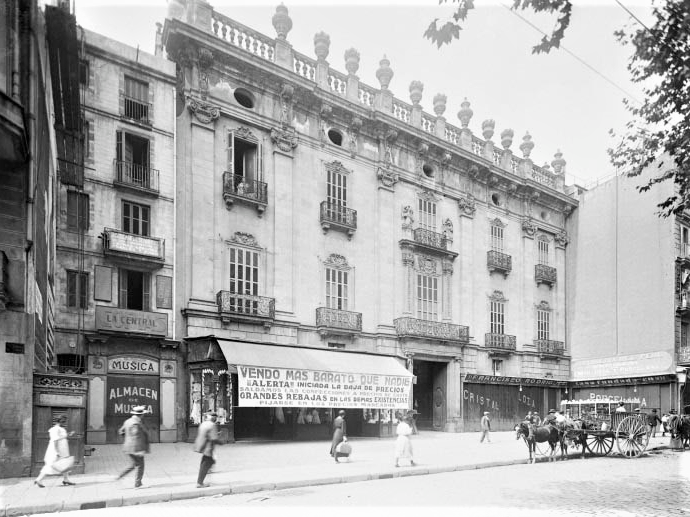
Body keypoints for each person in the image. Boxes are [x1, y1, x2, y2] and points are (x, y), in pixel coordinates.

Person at [34, 415, 75, 487]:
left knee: (64, 464)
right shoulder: (55, 429)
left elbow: (61, 437)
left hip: (63, 448)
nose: (64, 423)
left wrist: (69, 434)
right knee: (51, 464)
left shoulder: (60, 429)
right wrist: (56, 451)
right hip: (57, 449)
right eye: (63, 421)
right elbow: (55, 440)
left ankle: (66, 479)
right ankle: (39, 479)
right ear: (59, 421)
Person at [116, 405, 150, 488]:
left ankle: (120, 476)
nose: (143, 415)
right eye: (143, 414)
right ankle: (138, 483)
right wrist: (139, 450)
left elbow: (121, 431)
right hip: (136, 448)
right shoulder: (136, 423)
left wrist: (127, 440)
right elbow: (136, 436)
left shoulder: (128, 421)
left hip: (129, 447)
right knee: (140, 465)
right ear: (141, 415)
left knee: (133, 464)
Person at [194, 411, 219, 488]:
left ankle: (203, 477)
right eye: (214, 417)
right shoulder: (212, 425)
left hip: (200, 445)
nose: (215, 419)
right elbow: (214, 438)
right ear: (213, 418)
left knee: (206, 462)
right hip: (208, 447)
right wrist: (221, 442)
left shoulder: (204, 423)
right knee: (206, 463)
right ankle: (199, 483)